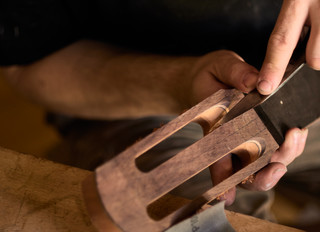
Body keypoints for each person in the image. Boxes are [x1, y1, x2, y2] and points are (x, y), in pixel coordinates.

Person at [0, 0, 317, 212]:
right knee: (207, 220)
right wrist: (179, 83)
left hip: (305, 85)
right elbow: (25, 65)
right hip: (134, 87)